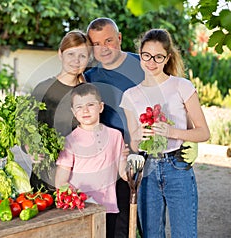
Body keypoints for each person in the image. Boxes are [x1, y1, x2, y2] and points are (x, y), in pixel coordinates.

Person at [120, 29, 210, 237]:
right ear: (140, 54)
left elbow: (203, 132)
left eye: (158, 57)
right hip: (147, 170)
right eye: (147, 55)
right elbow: (134, 144)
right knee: (152, 234)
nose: (152, 62)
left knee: (184, 233)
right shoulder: (130, 96)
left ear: (167, 57)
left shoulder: (182, 86)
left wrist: (172, 131)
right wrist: (138, 136)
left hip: (177, 167)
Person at [84, 17, 144, 237]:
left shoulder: (143, 65)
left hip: (145, 155)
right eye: (97, 44)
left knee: (145, 221)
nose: (103, 48)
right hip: (111, 160)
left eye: (108, 40)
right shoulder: (89, 76)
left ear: (119, 38)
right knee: (114, 224)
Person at [55, 83, 128, 238]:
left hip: (107, 208)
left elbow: (123, 173)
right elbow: (61, 181)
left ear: (101, 107)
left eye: (90, 104)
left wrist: (133, 164)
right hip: (80, 210)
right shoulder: (69, 140)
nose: (85, 110)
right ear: (73, 112)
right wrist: (75, 199)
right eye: (79, 107)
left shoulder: (115, 136)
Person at [29, 30, 92, 191]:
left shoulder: (89, 93)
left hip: (79, 178)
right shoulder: (43, 89)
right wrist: (30, 148)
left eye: (82, 56)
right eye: (71, 54)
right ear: (60, 54)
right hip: (45, 176)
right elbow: (27, 128)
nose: (76, 61)